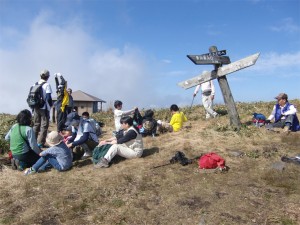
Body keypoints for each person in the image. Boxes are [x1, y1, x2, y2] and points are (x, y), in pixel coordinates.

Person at [32, 69, 53, 148]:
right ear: (47, 77)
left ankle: (33, 142)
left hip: (36, 107)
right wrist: (50, 105)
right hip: (44, 108)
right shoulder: (47, 85)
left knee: (36, 124)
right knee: (44, 126)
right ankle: (40, 143)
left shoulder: (35, 84)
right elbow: (48, 98)